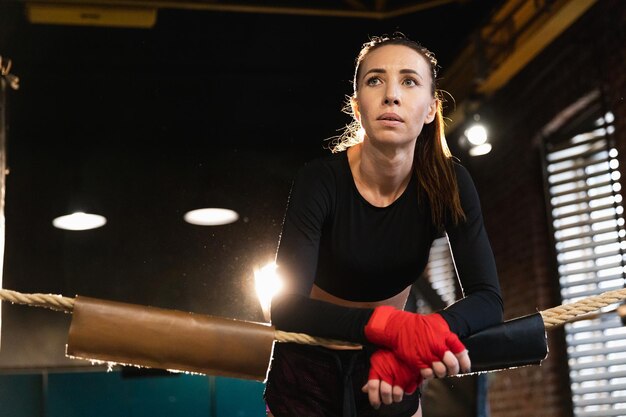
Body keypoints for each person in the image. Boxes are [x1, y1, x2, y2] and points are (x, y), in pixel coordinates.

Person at [264, 33, 503, 417]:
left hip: (394, 359)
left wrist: (428, 332)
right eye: (375, 80)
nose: (391, 94)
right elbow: (286, 307)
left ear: (430, 108)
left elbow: (488, 298)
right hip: (309, 364)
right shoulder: (320, 180)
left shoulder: (450, 184)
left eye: (409, 81)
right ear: (357, 107)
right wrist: (390, 326)